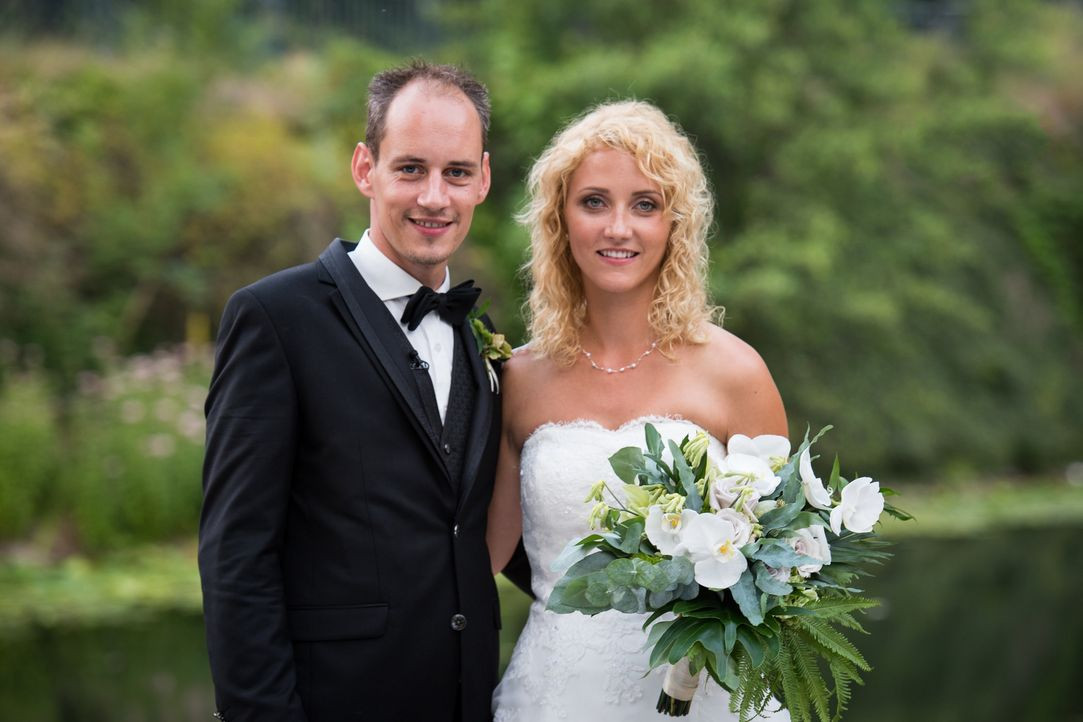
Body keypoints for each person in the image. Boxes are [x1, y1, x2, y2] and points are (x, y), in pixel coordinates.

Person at [199, 60, 512, 722]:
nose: (435, 197)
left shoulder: (480, 335)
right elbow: (236, 555)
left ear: (482, 178)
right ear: (364, 168)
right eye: (410, 169)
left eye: (456, 173)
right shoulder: (275, 319)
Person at [487, 100, 791, 720]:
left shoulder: (736, 374)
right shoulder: (517, 379)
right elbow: (475, 560)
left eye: (644, 205)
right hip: (554, 694)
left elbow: (786, 565)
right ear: (559, 220)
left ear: (675, 225)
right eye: (594, 201)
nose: (618, 227)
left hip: (701, 694)